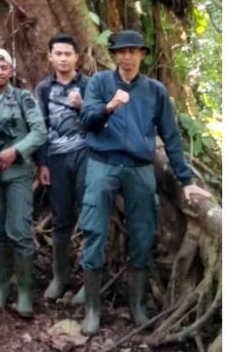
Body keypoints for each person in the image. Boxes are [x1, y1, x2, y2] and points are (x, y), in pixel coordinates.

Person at [78, 30, 212, 335]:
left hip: (140, 169)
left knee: (143, 234)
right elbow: (86, 122)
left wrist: (186, 180)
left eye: (133, 51)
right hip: (103, 165)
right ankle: (92, 310)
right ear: (113, 55)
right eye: (121, 51)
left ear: (142, 54)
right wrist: (109, 106)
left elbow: (171, 136)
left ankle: (137, 306)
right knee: (95, 231)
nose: (127, 56)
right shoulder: (99, 83)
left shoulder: (155, 90)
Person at [0, 48, 47, 318]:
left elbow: (40, 132)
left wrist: (14, 152)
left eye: (3, 67)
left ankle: (24, 293)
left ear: (11, 70)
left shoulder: (23, 98)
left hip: (18, 174)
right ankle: (0, 289)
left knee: (19, 231)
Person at [34, 34, 90, 301]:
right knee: (60, 218)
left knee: (90, 217)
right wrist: (42, 162)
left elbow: (99, 121)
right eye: (58, 53)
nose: (63, 58)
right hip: (56, 159)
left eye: (68, 54)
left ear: (77, 57)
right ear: (50, 57)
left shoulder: (90, 85)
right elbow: (40, 126)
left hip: (84, 156)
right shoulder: (44, 89)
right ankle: (60, 276)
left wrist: (82, 107)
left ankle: (89, 282)